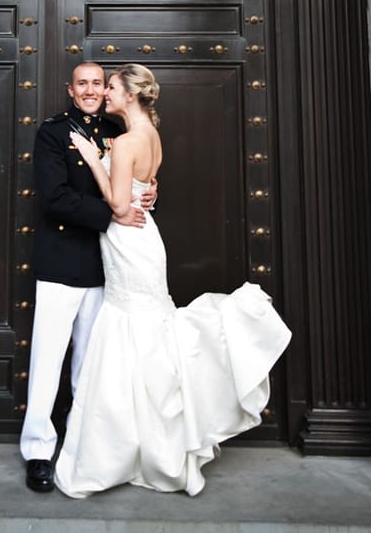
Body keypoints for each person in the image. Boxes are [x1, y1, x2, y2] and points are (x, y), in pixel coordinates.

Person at [54, 63, 292, 499]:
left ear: (129, 94)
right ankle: (157, 444)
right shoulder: (152, 137)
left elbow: (116, 203)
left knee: (137, 332)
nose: (105, 93)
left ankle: (133, 446)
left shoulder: (125, 141)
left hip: (129, 239)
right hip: (143, 242)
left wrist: (92, 159)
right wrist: (139, 190)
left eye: (111, 87)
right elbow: (139, 189)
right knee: (148, 337)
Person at [20, 62, 156, 493]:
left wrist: (146, 192)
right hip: (62, 262)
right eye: (84, 84)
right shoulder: (54, 133)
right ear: (71, 90)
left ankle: (82, 444)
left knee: (90, 365)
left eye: (99, 83)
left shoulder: (116, 133)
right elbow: (55, 198)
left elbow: (129, 179)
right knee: (48, 361)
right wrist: (116, 214)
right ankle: (39, 451)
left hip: (104, 266)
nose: (92, 90)